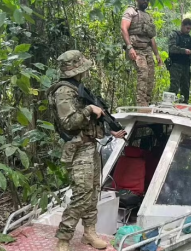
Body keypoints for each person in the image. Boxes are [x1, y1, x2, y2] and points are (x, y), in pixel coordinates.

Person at [47, 50, 127, 251]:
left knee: (93, 192)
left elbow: (93, 122)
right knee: (82, 193)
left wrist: (111, 130)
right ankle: (64, 238)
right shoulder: (63, 92)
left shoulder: (78, 89)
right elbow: (69, 123)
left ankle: (89, 233)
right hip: (77, 149)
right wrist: (89, 110)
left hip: (91, 146)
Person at [121, 0, 162, 106]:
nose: (145, 1)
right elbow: (124, 29)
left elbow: (152, 38)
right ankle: (141, 104)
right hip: (136, 49)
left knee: (150, 76)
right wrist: (129, 47)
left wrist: (157, 54)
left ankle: (146, 103)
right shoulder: (131, 12)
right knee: (143, 73)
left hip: (147, 49)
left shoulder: (148, 16)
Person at [167, 18, 191, 104]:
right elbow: (172, 48)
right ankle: (169, 104)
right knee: (174, 87)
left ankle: (184, 105)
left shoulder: (190, 38)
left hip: (186, 66)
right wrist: (184, 50)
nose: (188, 30)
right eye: (187, 28)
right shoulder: (174, 34)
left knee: (186, 88)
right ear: (182, 26)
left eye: (190, 29)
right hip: (176, 65)